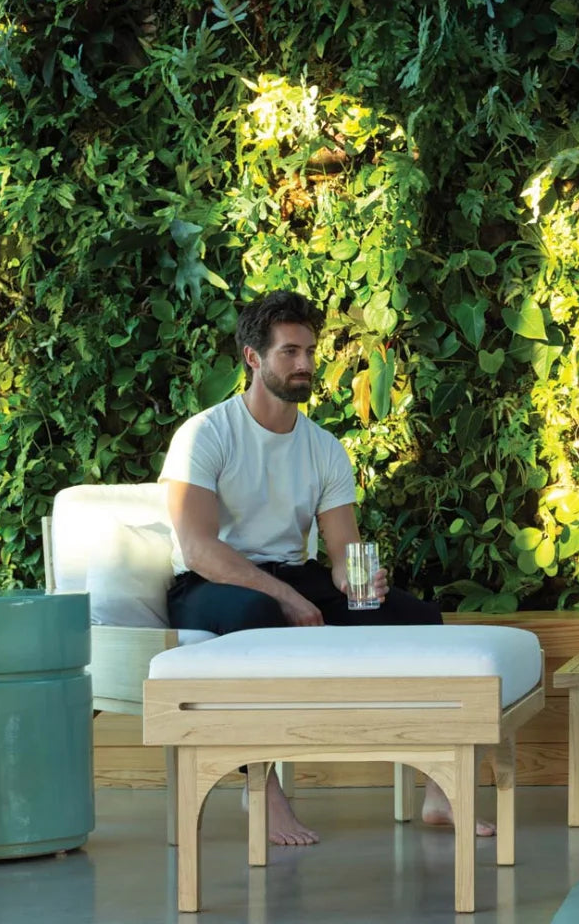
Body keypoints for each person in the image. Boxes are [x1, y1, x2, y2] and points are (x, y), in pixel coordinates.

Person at [159, 289, 492, 845]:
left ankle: (439, 788)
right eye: (290, 352)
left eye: (311, 351)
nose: (306, 365)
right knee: (257, 612)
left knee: (417, 618)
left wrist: (357, 581)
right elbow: (197, 547)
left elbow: (343, 553)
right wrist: (287, 598)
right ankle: (261, 791)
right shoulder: (206, 434)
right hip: (211, 582)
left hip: (295, 573)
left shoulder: (324, 448)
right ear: (253, 359)